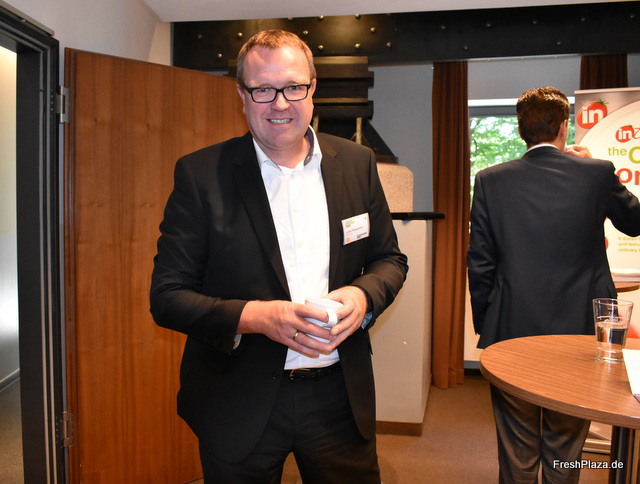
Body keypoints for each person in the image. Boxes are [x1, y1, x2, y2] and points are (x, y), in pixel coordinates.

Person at [150, 29, 408, 483]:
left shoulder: (357, 163)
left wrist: (363, 296)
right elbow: (167, 297)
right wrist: (258, 317)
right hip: (238, 398)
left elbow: (390, 260)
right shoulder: (200, 175)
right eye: (263, 90)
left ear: (312, 89)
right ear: (242, 94)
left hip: (339, 398)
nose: (280, 103)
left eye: (293, 87)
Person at [467, 86, 640, 483]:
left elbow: (480, 262)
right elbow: (635, 222)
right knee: (566, 446)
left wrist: (487, 324)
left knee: (517, 447)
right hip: (580, 331)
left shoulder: (490, 179)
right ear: (564, 127)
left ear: (521, 130)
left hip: (511, 329)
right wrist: (598, 169)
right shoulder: (597, 174)